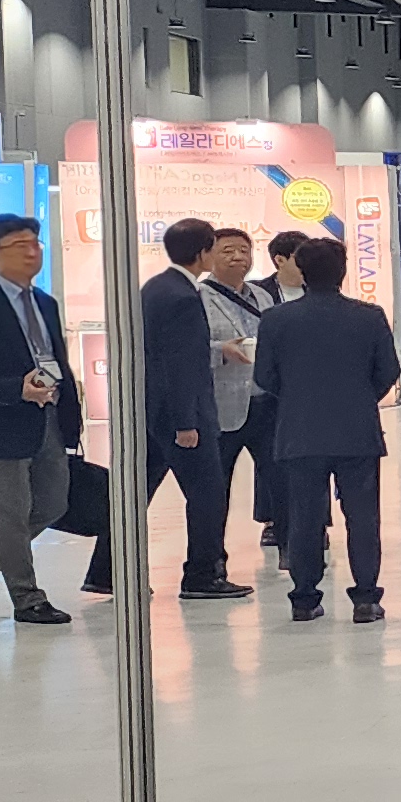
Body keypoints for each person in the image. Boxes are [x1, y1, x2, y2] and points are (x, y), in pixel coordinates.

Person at [0, 213, 89, 625]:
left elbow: (57, 359)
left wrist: (71, 413)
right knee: (10, 515)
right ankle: (27, 598)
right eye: (19, 246)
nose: (31, 253)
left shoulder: (45, 303)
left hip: (48, 418)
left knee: (54, 504)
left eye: (35, 244)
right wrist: (13, 389)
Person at [252, 236, 401, 623]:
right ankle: (366, 598)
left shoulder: (276, 319)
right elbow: (388, 371)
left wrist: (296, 398)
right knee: (363, 518)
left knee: (304, 518)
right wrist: (360, 397)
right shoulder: (369, 316)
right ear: (343, 270)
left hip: (299, 431)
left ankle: (304, 599)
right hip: (357, 431)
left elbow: (264, 376)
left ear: (301, 271)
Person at [136, 216, 250, 601]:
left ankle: (106, 571)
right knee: (208, 495)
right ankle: (202, 575)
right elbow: (181, 365)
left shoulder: (156, 287)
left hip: (155, 412)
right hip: (182, 416)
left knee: (139, 491)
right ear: (203, 252)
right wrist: (186, 422)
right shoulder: (184, 297)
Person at [198, 229, 271, 537]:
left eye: (244, 250)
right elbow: (184, 350)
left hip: (265, 402)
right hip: (220, 406)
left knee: (277, 479)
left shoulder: (263, 296)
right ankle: (213, 555)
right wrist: (221, 351)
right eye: (228, 251)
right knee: (214, 489)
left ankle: (286, 544)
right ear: (209, 256)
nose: (238, 257)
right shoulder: (197, 297)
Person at [246, 230, 311, 548]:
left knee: (313, 457)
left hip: (308, 389)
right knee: (270, 458)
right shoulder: (257, 294)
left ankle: (315, 521)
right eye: (301, 257)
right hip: (269, 390)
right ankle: (272, 519)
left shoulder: (320, 289)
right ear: (279, 260)